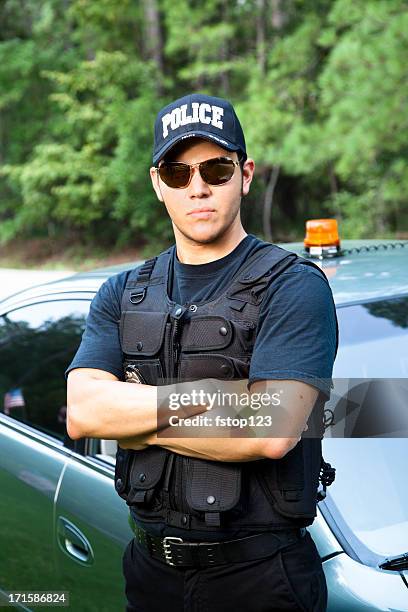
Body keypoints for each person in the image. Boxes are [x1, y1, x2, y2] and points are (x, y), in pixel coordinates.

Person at [66, 93, 338, 612]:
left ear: (245, 174)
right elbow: (81, 413)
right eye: (177, 172)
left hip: (260, 580)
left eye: (216, 169)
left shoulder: (294, 288)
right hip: (150, 576)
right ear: (157, 183)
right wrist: (202, 397)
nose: (198, 188)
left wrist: (129, 412)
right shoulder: (123, 293)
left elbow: (272, 430)